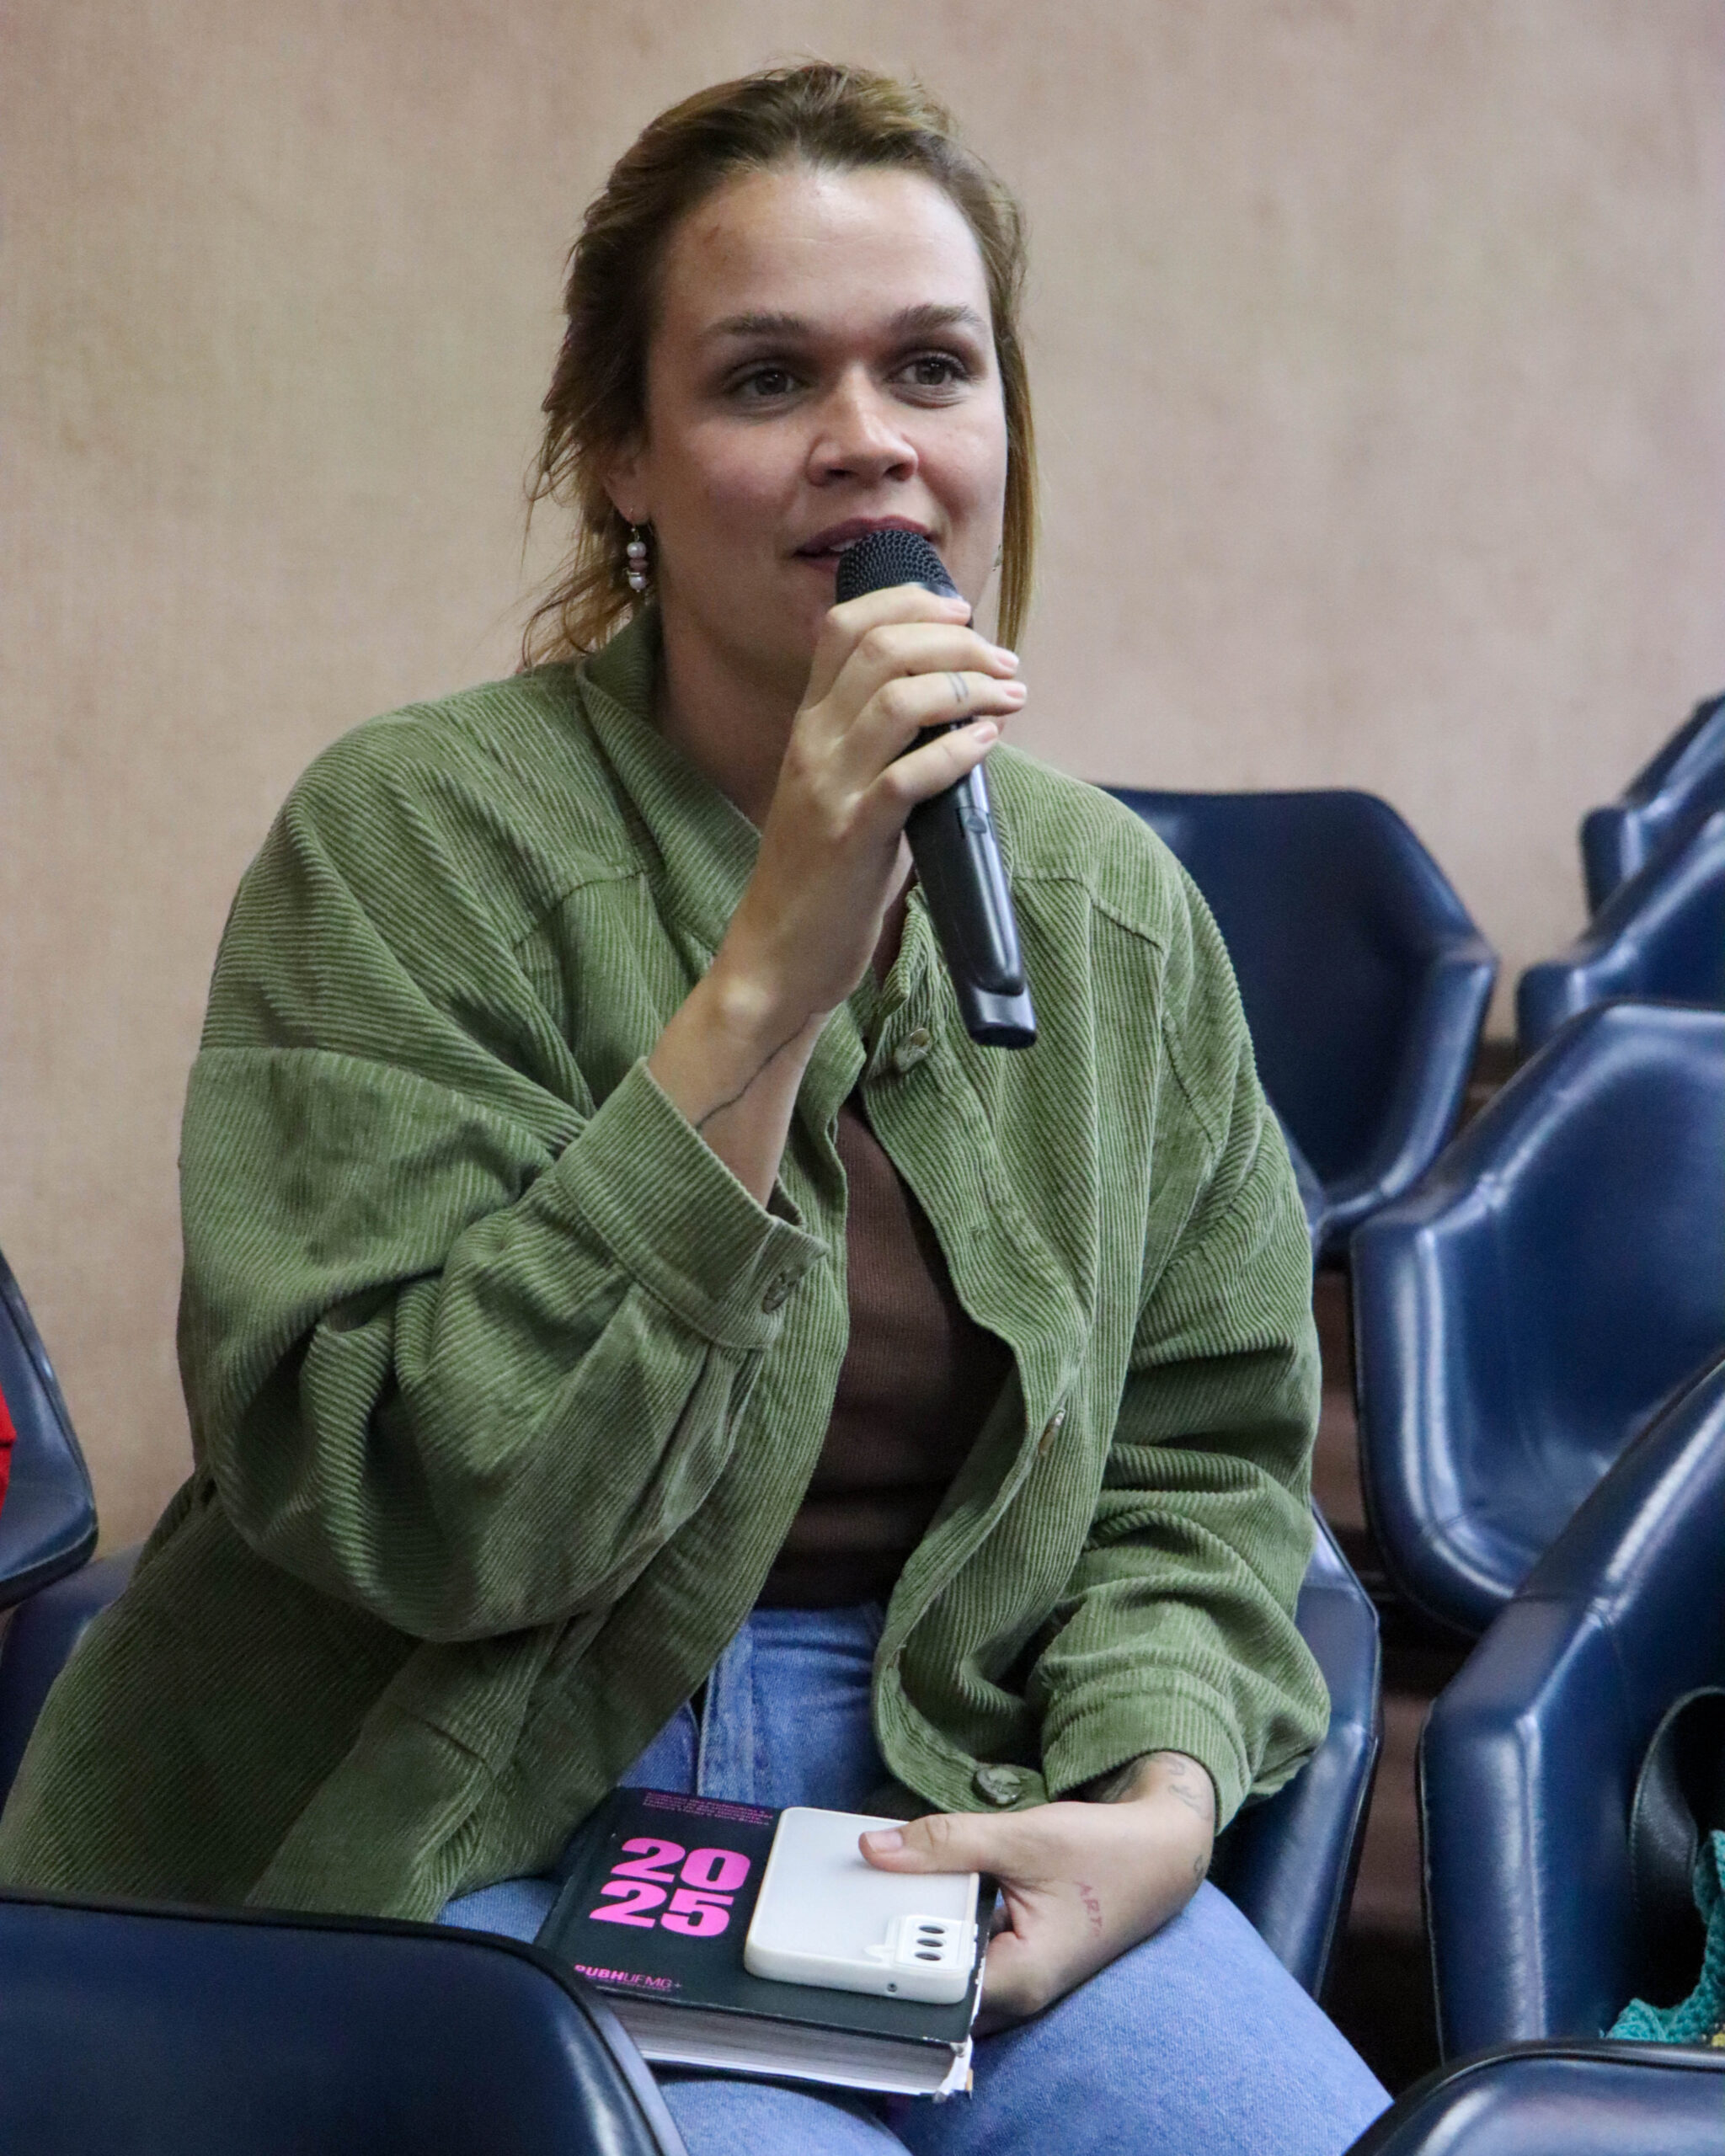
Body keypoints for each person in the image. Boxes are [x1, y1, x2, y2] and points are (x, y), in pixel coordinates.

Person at [0, 63, 1389, 2155]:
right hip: (460, 1781)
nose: (869, 437)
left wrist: (1158, 1802)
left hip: (951, 1791)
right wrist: (763, 984)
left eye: (932, 366)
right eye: (766, 377)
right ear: (622, 456)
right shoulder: (411, 838)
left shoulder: (1113, 913)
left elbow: (1203, 1453)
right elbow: (411, 1503)